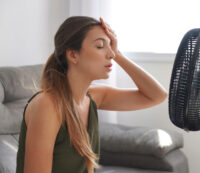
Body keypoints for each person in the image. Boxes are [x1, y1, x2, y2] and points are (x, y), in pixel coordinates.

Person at [16, 16, 168, 173]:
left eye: (111, 47)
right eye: (100, 46)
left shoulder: (94, 97)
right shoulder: (47, 105)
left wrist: (119, 54)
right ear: (73, 55)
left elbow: (157, 96)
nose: (111, 55)